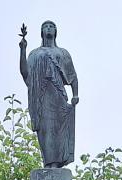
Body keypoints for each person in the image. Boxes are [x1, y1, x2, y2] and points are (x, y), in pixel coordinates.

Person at [19, 21, 79, 168]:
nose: (48, 28)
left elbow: (72, 75)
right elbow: (25, 73)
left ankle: (56, 164)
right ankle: (48, 163)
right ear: (41, 32)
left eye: (51, 26)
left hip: (58, 96)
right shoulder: (35, 54)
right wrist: (22, 50)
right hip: (41, 97)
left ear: (56, 31)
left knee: (58, 129)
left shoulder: (62, 53)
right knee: (45, 130)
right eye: (45, 26)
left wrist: (75, 94)